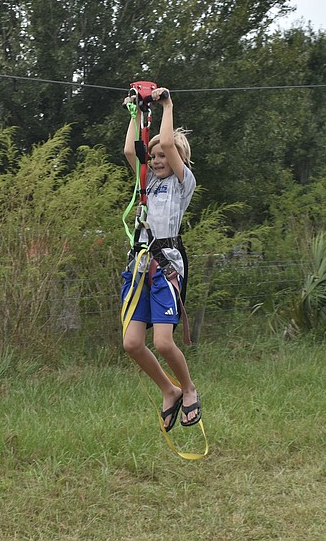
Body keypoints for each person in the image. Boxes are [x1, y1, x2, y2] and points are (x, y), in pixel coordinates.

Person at [121, 86, 201, 430]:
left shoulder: (183, 183)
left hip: (166, 266)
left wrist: (166, 105)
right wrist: (136, 112)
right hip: (138, 266)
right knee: (132, 343)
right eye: (153, 158)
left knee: (163, 342)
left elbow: (168, 143)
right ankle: (168, 389)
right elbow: (129, 149)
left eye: (163, 157)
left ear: (177, 160)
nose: (157, 160)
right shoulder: (147, 182)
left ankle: (189, 389)